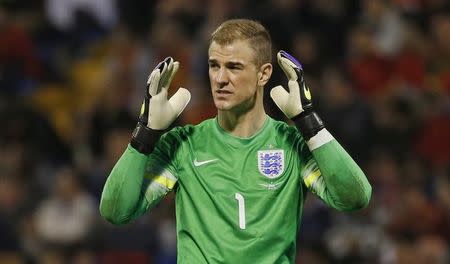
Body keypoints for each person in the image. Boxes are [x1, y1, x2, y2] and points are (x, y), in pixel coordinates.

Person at [100, 19, 372, 263]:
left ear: (263, 74)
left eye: (233, 67)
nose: (220, 79)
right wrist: (144, 134)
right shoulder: (183, 144)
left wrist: (309, 123)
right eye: (214, 66)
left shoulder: (290, 145)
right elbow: (116, 211)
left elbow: (355, 198)